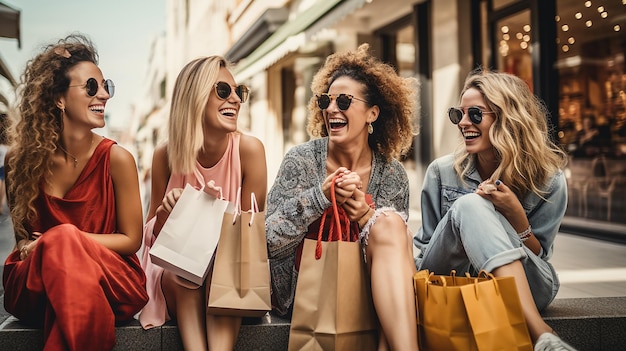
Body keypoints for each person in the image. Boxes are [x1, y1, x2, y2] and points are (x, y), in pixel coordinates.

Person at [266, 43, 419, 350]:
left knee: (388, 224)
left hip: (369, 289)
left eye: (345, 101)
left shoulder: (392, 174)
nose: (331, 109)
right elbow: (268, 238)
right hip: (305, 291)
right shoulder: (302, 160)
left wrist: (365, 215)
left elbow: (396, 252)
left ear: (372, 113)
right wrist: (319, 197)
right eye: (326, 100)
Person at [2, 34, 148, 351]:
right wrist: (43, 246)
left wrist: (62, 239)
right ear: (58, 98)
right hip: (35, 283)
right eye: (92, 87)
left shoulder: (118, 159)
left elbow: (131, 240)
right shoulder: (19, 161)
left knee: (63, 239)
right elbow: (24, 240)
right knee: (61, 245)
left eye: (106, 84)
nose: (105, 95)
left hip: (111, 278)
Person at [413, 69, 576, 350]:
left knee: (471, 204)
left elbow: (539, 255)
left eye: (475, 114)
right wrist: (467, 221)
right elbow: (427, 250)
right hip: (455, 280)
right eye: (458, 114)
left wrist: (516, 216)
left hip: (529, 285)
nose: (463, 123)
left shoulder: (549, 179)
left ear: (507, 118)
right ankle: (542, 335)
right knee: (470, 203)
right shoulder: (441, 172)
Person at [138, 56, 267, 350]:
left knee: (224, 262)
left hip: (230, 271)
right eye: (223, 91)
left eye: (239, 92)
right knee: (183, 274)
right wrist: (164, 215)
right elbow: (150, 242)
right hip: (175, 274)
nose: (235, 99)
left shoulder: (249, 150)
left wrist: (213, 214)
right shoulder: (165, 155)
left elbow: (250, 236)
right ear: (195, 97)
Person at [0, 113, 8, 215]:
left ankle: (1, 205)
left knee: (2, 183)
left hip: (2, 164)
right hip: (3, 164)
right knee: (2, 183)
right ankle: (1, 205)